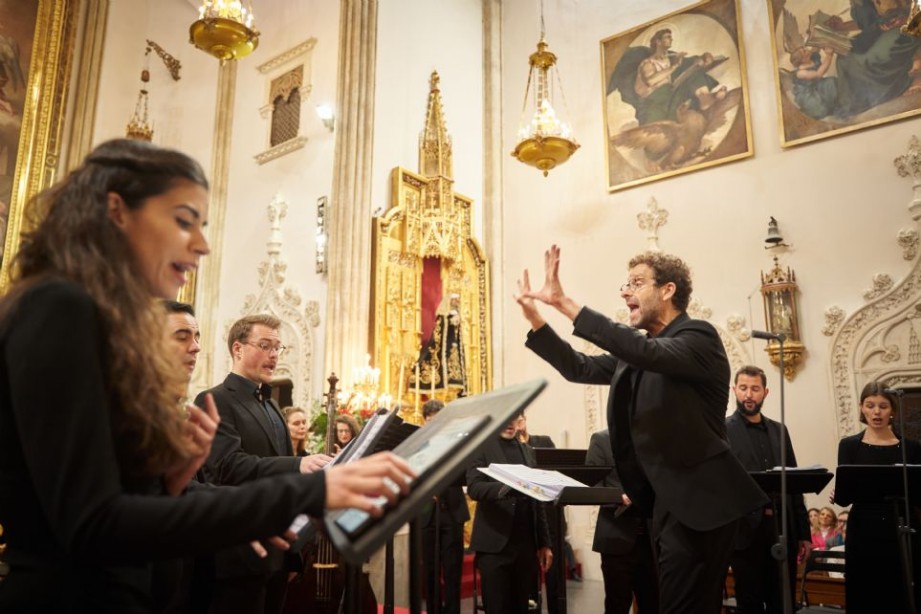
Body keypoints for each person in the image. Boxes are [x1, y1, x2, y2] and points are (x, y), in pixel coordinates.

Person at [0, 138, 414, 612]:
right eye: (182, 221)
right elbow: (93, 525)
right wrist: (309, 489)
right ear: (116, 212)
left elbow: (107, 498)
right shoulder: (59, 306)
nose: (201, 244)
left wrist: (170, 480)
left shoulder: (91, 318)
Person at [516, 245, 766, 613]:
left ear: (667, 290)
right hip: (664, 501)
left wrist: (564, 302)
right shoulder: (640, 351)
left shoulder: (698, 337)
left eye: (637, 283)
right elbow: (580, 367)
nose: (625, 291)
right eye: (626, 283)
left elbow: (647, 353)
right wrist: (537, 319)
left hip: (701, 500)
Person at [196, 314, 334, 614]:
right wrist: (298, 464)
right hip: (238, 551)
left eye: (278, 348)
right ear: (238, 348)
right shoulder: (214, 399)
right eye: (265, 345)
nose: (273, 355)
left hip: (278, 550)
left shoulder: (271, 404)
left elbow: (283, 477)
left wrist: (292, 554)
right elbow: (226, 467)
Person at [725, 365, 811, 613]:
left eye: (755, 388)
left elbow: (794, 483)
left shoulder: (779, 430)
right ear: (734, 390)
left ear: (766, 392)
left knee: (783, 601)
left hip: (783, 527)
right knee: (749, 602)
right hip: (744, 532)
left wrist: (803, 532)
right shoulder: (723, 429)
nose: (748, 394)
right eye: (743, 388)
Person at [837, 381, 921, 612]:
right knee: (866, 592)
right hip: (864, 528)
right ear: (861, 408)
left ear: (892, 410)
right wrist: (842, 489)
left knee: (903, 591)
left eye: (883, 406)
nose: (876, 412)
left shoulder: (911, 448)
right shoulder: (849, 446)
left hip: (902, 525)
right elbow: (844, 499)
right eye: (870, 405)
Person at [467, 413, 553, 614]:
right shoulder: (482, 447)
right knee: (496, 607)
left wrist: (544, 542)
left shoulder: (526, 450)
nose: (509, 423)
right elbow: (474, 487)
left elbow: (537, 500)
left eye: (514, 418)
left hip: (525, 545)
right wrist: (506, 487)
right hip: (494, 545)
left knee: (522, 608)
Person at [586, 429, 659, 614]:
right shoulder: (601, 439)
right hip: (616, 538)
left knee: (653, 603)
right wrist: (619, 497)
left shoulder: (651, 438)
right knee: (617, 604)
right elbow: (592, 487)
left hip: (650, 540)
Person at [420, 399, 469, 614]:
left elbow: (466, 471)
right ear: (424, 421)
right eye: (430, 420)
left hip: (453, 513)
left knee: (452, 573)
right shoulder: (417, 444)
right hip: (427, 516)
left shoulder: (457, 443)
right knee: (429, 573)